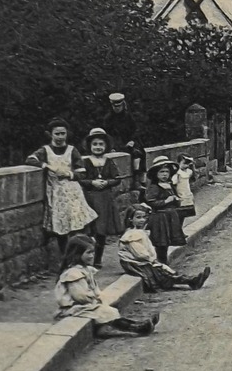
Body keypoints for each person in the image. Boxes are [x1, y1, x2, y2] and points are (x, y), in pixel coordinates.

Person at [56, 236, 157, 338]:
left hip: (86, 304)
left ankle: (135, 325)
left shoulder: (84, 269)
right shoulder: (73, 273)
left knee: (108, 309)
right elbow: (80, 296)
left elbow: (93, 289)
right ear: (77, 254)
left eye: (93, 252)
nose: (92, 256)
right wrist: (95, 297)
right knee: (106, 312)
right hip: (75, 307)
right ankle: (129, 329)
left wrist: (98, 296)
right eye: (88, 253)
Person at [26, 118, 97, 257]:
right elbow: (30, 159)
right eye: (57, 134)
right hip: (56, 193)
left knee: (77, 226)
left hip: (73, 193)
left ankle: (80, 256)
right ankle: (66, 258)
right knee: (61, 227)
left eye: (63, 133)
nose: (60, 137)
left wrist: (69, 174)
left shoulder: (72, 150)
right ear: (50, 134)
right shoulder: (45, 150)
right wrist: (47, 166)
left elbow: (82, 172)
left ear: (67, 134)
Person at [118, 206, 210, 292]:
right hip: (135, 263)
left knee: (164, 270)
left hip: (141, 260)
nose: (142, 220)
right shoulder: (132, 235)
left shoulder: (139, 231)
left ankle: (191, 280)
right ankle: (190, 280)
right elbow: (140, 253)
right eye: (138, 218)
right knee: (160, 271)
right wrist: (153, 260)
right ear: (130, 219)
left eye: (144, 217)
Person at [77, 128, 124, 266]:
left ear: (106, 146)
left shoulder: (108, 162)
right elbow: (80, 179)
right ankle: (84, 258)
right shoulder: (85, 162)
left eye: (101, 144)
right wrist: (92, 182)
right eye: (95, 144)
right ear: (89, 146)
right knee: (88, 230)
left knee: (101, 230)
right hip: (89, 198)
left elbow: (117, 178)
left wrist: (107, 182)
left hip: (105, 199)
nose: (98, 147)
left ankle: (98, 259)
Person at [143, 157, 188, 264]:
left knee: (167, 242)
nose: (164, 174)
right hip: (160, 218)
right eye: (161, 172)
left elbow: (174, 198)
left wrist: (177, 200)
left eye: (167, 172)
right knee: (160, 243)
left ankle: (163, 262)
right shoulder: (154, 187)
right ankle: (161, 263)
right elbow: (151, 202)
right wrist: (166, 201)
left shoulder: (169, 185)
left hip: (170, 217)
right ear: (156, 174)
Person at [101, 92, 146, 175]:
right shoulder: (108, 119)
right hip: (115, 143)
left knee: (138, 153)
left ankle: (138, 177)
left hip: (129, 141)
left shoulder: (128, 116)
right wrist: (112, 146)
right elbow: (107, 135)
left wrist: (132, 140)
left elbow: (136, 129)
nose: (117, 108)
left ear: (122, 105)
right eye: (115, 106)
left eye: (119, 106)